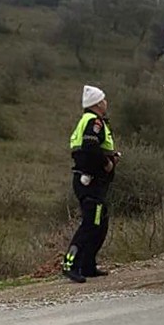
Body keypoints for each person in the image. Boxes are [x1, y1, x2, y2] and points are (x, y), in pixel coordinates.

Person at [62, 85, 120, 283]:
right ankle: (70, 264)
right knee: (91, 224)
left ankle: (88, 265)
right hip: (90, 183)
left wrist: (112, 157)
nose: (106, 103)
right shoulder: (93, 121)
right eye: (103, 100)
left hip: (93, 183)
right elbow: (89, 146)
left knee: (101, 223)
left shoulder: (89, 121)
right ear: (97, 104)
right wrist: (106, 163)